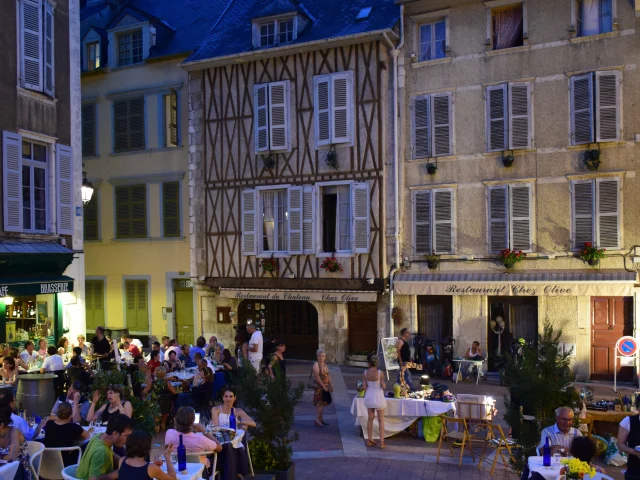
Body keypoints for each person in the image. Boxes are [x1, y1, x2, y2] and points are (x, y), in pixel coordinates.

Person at [211, 387, 254, 480]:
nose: (228, 399)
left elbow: (253, 423)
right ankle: (237, 473)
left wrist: (241, 422)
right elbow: (216, 427)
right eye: (226, 396)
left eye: (231, 396)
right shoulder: (216, 410)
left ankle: (233, 473)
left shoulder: (238, 411)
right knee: (230, 445)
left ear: (235, 398)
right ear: (223, 398)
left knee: (235, 442)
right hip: (220, 440)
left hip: (233, 440)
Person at [76, 414, 133, 480]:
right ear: (115, 434)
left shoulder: (99, 436)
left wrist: (124, 463)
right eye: (126, 436)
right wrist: (117, 474)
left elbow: (111, 453)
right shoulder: (101, 452)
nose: (128, 439)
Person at [42, 401, 90, 465]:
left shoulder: (49, 424)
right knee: (87, 444)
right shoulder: (74, 427)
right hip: (65, 464)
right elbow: (87, 436)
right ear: (71, 415)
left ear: (58, 413)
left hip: (47, 463)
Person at [0, 404, 33, 479]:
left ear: (1, 425)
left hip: (20, 472)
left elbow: (12, 458)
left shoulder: (14, 432)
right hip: (4, 470)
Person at [363, 352, 387, 448]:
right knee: (381, 420)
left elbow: (364, 387)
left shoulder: (365, 373)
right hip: (378, 396)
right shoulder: (380, 373)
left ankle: (369, 439)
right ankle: (381, 442)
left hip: (369, 395)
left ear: (369, 362)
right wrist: (383, 384)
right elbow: (383, 386)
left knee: (370, 418)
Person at [618, 395, 640, 480]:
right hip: (634, 470)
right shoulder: (628, 421)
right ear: (638, 408)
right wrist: (635, 452)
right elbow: (620, 444)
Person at [312, 348, 333, 427]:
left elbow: (328, 375)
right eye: (319, 356)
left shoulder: (325, 364)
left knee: (323, 404)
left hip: (325, 386)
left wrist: (331, 384)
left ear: (325, 357)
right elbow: (317, 378)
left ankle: (321, 419)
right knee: (320, 404)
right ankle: (317, 419)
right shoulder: (316, 365)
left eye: (323, 356)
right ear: (317, 356)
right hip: (319, 388)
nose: (321, 358)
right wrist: (324, 387)